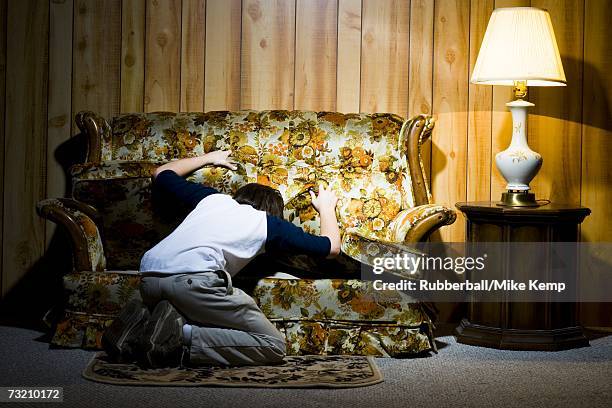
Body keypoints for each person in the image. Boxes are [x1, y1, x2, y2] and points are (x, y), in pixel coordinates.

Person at [102, 150, 340, 368]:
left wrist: (209, 158)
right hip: (194, 281)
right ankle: (179, 338)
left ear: (238, 196)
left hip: (149, 279)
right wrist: (326, 208)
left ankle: (140, 327)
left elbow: (162, 173)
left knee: (188, 306)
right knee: (272, 344)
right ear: (273, 211)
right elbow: (331, 248)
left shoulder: (211, 199)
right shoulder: (268, 223)